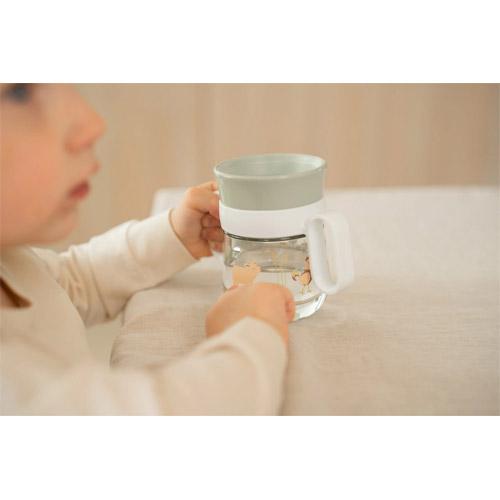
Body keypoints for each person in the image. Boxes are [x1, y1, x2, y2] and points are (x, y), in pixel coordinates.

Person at [0, 83, 295, 415]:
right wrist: (252, 330)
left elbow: (71, 284)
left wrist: (172, 237)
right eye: (19, 92)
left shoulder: (10, 260)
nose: (93, 123)